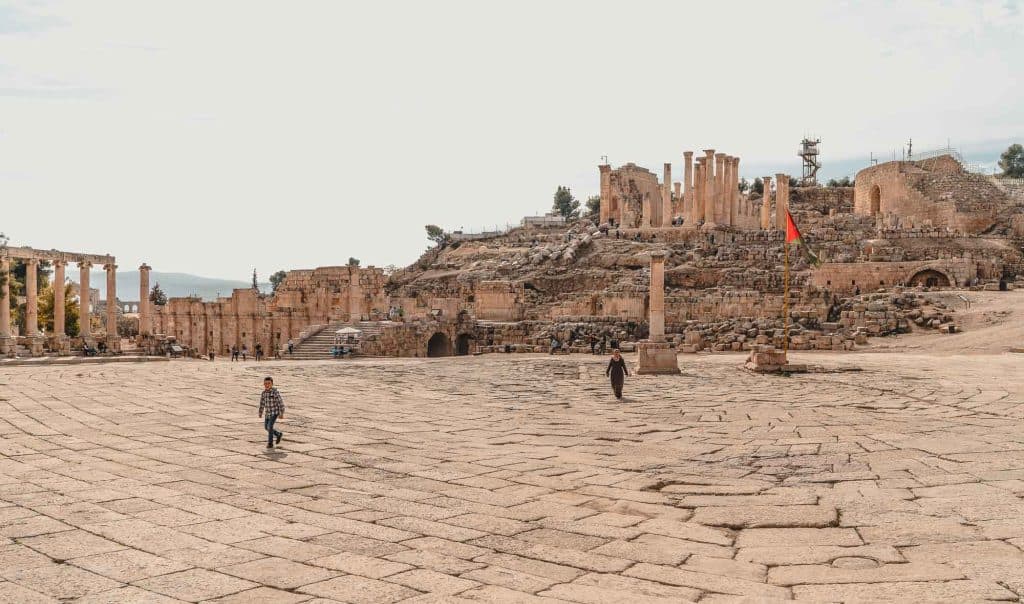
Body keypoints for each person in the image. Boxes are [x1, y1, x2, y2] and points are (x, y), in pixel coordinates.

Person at [257, 376, 284, 449]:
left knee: (270, 426)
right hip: (267, 413)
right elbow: (262, 403)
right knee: (266, 427)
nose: (267, 385)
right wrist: (260, 412)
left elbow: (280, 403)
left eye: (269, 383)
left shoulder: (275, 392)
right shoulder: (263, 393)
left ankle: (270, 443)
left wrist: (281, 413)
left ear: (272, 384)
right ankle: (278, 434)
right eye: (265, 383)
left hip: (274, 412)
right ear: (263, 384)